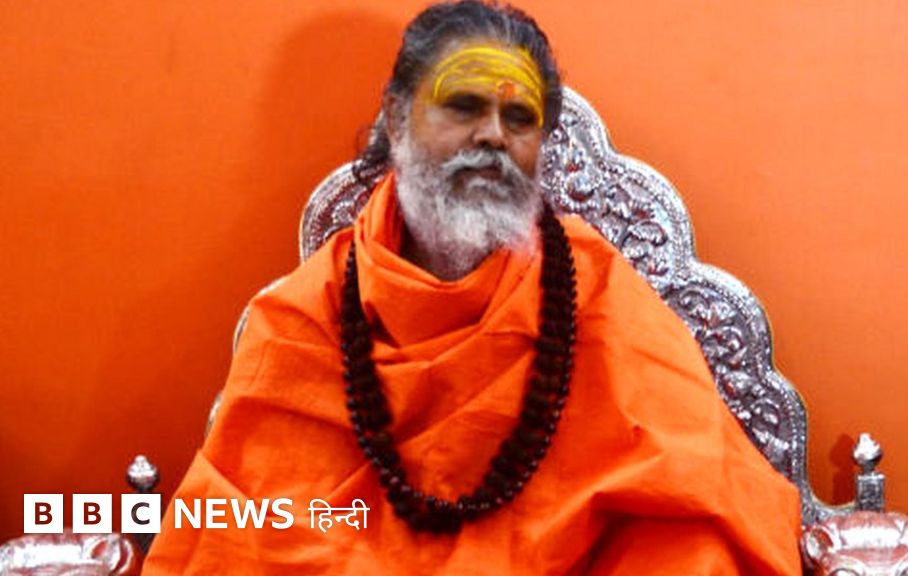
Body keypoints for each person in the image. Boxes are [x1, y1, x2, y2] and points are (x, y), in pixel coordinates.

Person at [142, 1, 801, 573]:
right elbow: (245, 530)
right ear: (396, 119)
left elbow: (696, 491)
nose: (492, 136)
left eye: (520, 118)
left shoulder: (596, 292)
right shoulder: (303, 321)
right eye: (463, 106)